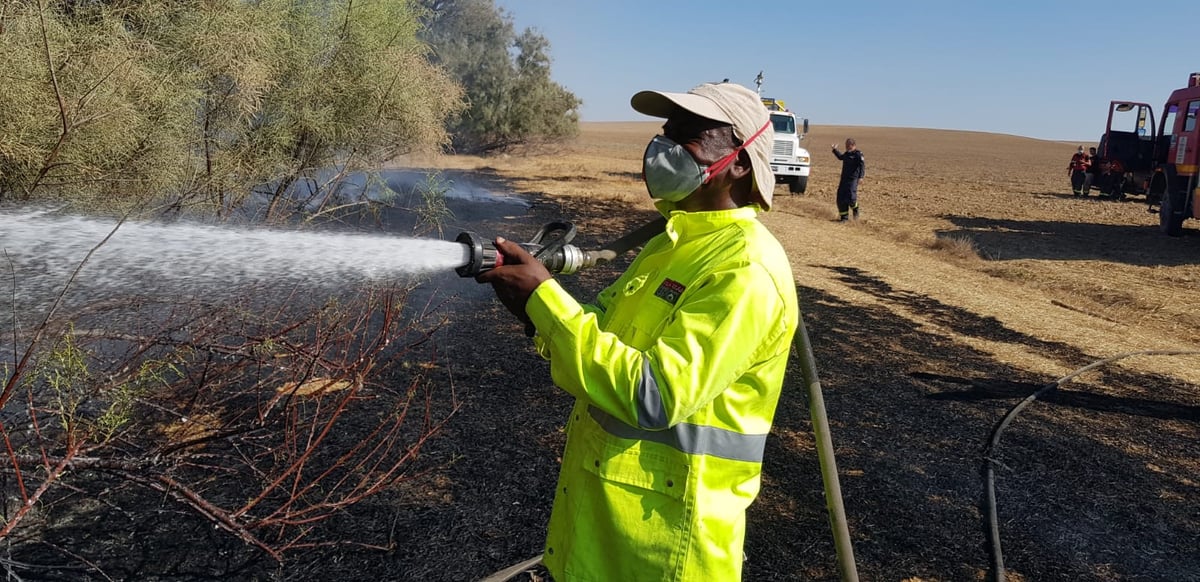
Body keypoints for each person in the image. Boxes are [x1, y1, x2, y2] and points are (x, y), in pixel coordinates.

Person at [475, 82, 799, 581]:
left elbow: (653, 395)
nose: (662, 148)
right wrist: (531, 311)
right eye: (665, 133)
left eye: (687, 136)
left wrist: (544, 299)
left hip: (666, 552)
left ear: (738, 161)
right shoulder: (669, 244)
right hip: (599, 534)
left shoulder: (746, 271)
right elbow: (603, 335)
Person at [831, 138, 865, 220]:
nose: (846, 147)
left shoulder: (858, 154)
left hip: (853, 179)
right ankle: (844, 218)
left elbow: (862, 166)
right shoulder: (847, 154)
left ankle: (855, 208)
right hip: (844, 179)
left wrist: (861, 177)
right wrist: (835, 150)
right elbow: (840, 157)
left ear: (853, 145)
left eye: (847, 145)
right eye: (845, 145)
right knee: (841, 197)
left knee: (851, 197)